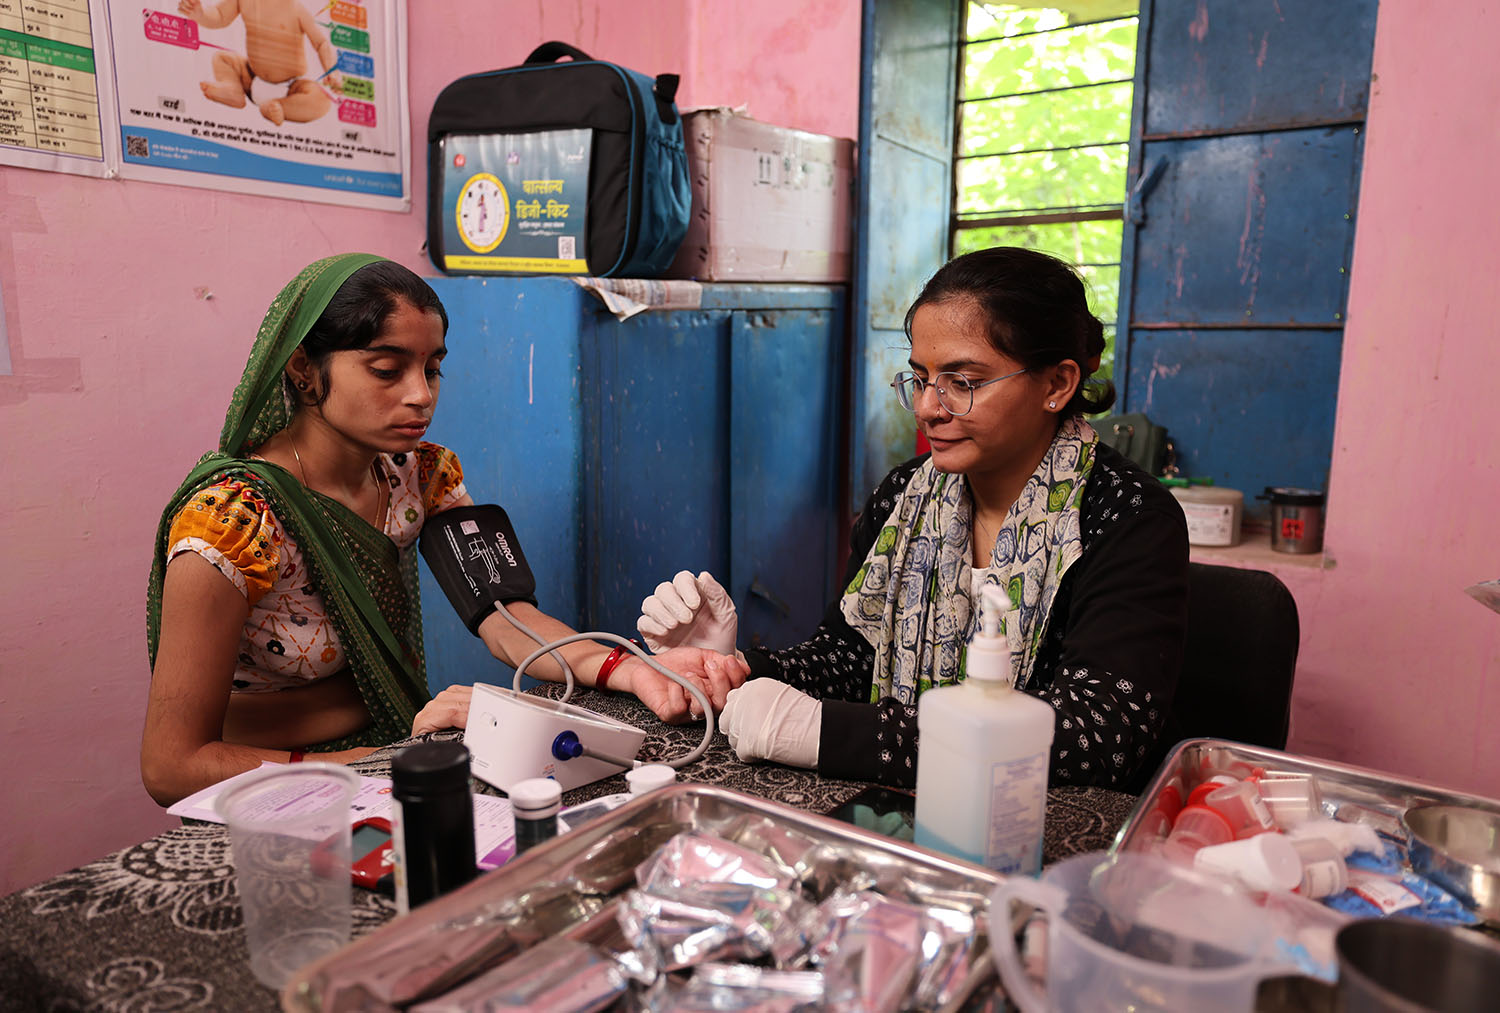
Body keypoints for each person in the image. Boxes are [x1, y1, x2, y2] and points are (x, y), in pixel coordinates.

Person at [142, 254, 745, 806]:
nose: (420, 396)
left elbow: (506, 616)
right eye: (386, 369)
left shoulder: (419, 474)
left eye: (433, 369)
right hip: (276, 776)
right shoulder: (232, 522)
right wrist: (357, 770)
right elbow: (172, 766)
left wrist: (631, 669)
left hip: (399, 744)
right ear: (304, 370)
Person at [637, 247, 1189, 790]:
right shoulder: (906, 495)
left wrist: (828, 734)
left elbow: (1097, 735)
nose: (928, 407)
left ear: (1056, 384)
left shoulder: (1125, 517)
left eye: (964, 382)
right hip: (900, 810)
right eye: (921, 377)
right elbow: (851, 656)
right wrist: (735, 669)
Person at [177, 0, 343, 126]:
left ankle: (279, 108)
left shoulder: (295, 9)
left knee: (321, 101)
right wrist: (201, 15)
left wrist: (331, 70)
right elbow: (220, 17)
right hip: (251, 77)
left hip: (292, 87)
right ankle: (233, 90)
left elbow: (321, 43)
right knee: (222, 58)